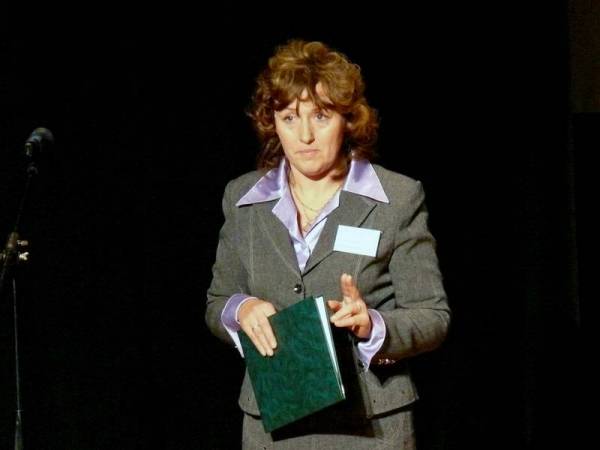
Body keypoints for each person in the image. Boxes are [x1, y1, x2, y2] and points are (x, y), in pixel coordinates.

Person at [206, 39, 450, 449]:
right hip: (272, 424)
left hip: (371, 427)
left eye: (321, 115)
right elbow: (218, 301)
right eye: (289, 117)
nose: (305, 135)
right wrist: (241, 309)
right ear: (272, 123)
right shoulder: (243, 199)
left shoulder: (397, 198)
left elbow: (433, 317)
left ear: (347, 119)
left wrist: (373, 324)